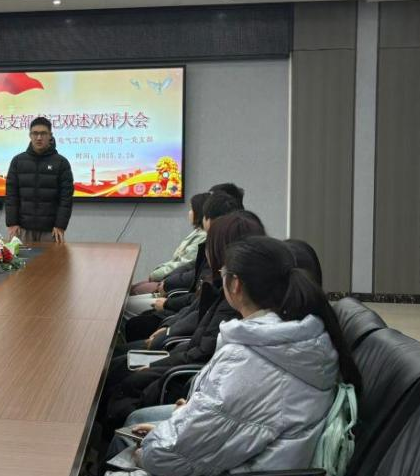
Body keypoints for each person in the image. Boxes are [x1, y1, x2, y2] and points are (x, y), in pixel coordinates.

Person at [115, 236, 361, 475]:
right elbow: (226, 421)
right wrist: (180, 418)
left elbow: (173, 455)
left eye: (223, 273)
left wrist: (145, 452)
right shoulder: (299, 336)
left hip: (249, 465)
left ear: (235, 285)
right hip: (267, 454)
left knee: (123, 449)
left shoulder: (249, 357)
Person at [102, 211, 265, 431]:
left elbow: (202, 352)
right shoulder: (225, 293)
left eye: (210, 246)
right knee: (116, 367)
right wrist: (167, 330)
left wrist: (159, 354)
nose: (207, 253)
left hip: (182, 375)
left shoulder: (234, 307)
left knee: (117, 376)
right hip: (181, 362)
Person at [5, 116, 74, 244]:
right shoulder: (18, 161)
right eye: (35, 133)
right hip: (22, 229)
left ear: (50, 136)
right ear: (30, 135)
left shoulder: (61, 163)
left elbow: (66, 199)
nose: (39, 137)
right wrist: (12, 222)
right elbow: (11, 195)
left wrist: (60, 225)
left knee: (53, 258)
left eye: (43, 133)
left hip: (51, 231)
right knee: (20, 258)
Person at [127, 192, 209, 299]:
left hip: (173, 283)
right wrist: (157, 273)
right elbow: (176, 261)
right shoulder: (198, 232)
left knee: (131, 292)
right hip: (171, 278)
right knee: (131, 289)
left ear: (199, 212)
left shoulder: (203, 236)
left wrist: (157, 275)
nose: (189, 213)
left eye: (191, 209)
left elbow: (184, 263)